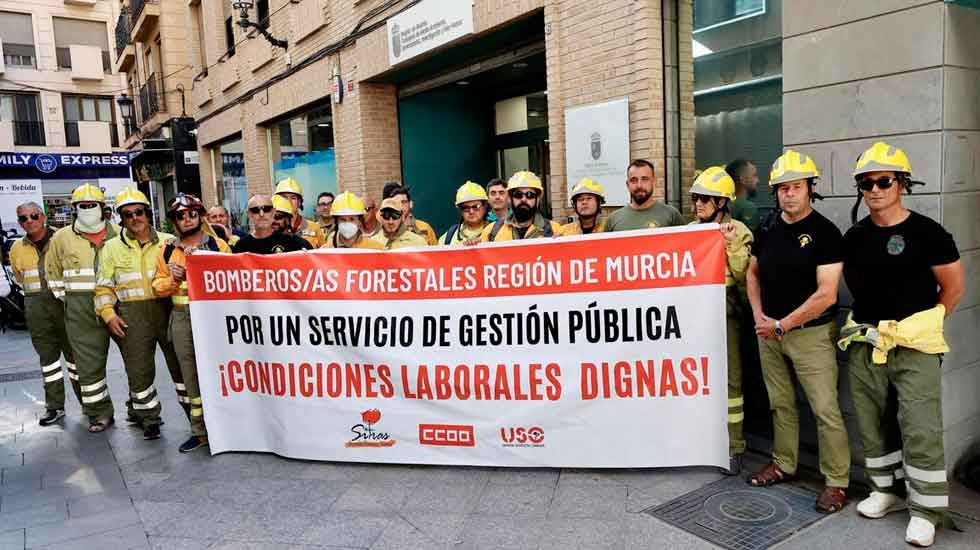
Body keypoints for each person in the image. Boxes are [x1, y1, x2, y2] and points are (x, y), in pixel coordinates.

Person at [837, 142, 965, 547]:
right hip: (867, 343)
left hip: (914, 348)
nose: (874, 189)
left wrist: (924, 327)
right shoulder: (854, 236)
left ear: (902, 184)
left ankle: (926, 510)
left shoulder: (928, 233)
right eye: (865, 183)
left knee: (920, 427)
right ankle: (885, 492)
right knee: (874, 424)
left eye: (883, 181)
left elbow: (954, 288)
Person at [745, 150, 850, 513]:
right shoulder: (768, 227)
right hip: (769, 332)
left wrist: (783, 324)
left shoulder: (826, 233)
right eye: (782, 188)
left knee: (825, 409)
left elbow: (827, 294)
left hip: (810, 335)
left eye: (796, 187)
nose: (788, 194)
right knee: (780, 404)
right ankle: (784, 464)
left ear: (810, 189)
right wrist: (760, 315)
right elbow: (752, 273)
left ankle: (836, 482)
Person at [94, 188, 188, 440]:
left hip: (168, 309)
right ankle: (149, 418)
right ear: (121, 219)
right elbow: (103, 286)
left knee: (181, 365)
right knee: (139, 370)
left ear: (148, 214)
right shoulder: (111, 248)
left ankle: (195, 414)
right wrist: (108, 315)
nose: (134, 218)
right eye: (127, 215)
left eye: (138, 212)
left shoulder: (170, 241)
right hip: (131, 314)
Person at [686, 167, 753, 475]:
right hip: (693, 314)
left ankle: (734, 446)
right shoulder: (688, 230)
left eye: (706, 199)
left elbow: (744, 275)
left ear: (723, 203)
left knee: (731, 383)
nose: (699, 204)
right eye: (696, 198)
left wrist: (730, 246)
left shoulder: (738, 231)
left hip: (726, 313)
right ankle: (698, 441)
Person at [153, 194, 232, 454]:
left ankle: (228, 426)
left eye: (191, 214)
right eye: (180, 216)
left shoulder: (218, 245)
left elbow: (232, 279)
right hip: (183, 317)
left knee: (222, 371)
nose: (186, 219)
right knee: (190, 376)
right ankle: (199, 430)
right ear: (174, 221)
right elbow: (157, 287)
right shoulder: (165, 250)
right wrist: (173, 280)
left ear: (200, 216)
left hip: (215, 316)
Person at [45, 184, 119, 433]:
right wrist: (67, 300)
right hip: (79, 306)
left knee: (136, 359)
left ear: (102, 208)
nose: (87, 210)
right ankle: (99, 413)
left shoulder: (119, 233)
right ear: (75, 209)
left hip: (117, 302)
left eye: (92, 206)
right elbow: (52, 271)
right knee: (87, 365)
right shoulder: (61, 237)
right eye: (82, 206)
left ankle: (141, 411)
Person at [9, 202, 81, 425]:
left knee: (77, 359)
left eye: (33, 216)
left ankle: (91, 405)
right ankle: (55, 406)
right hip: (37, 310)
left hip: (65, 306)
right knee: (48, 363)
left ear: (43, 216)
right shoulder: (16, 249)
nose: (29, 221)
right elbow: (20, 278)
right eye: (23, 218)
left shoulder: (63, 240)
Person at [480, 171, 561, 242]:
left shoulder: (554, 229)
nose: (524, 199)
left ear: (538, 199)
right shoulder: (491, 231)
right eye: (518, 195)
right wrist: (472, 247)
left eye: (530, 195)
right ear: (510, 198)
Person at [605, 159, 685, 231]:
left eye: (644, 179)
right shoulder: (613, 219)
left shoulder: (671, 215)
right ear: (627, 185)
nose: (639, 185)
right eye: (634, 180)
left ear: (654, 182)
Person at [232, 194, 310, 254]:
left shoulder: (292, 243)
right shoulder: (240, 247)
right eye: (255, 210)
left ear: (273, 212)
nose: (261, 214)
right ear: (249, 214)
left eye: (267, 209)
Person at [274, 177, 325, 248]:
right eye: (284, 197)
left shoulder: (314, 227)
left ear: (299, 202)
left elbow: (323, 254)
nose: (288, 201)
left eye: (293, 198)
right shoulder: (272, 227)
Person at [725, 159, 761, 234]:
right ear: (743, 179)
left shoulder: (723, 205)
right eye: (754, 176)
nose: (758, 181)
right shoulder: (748, 208)